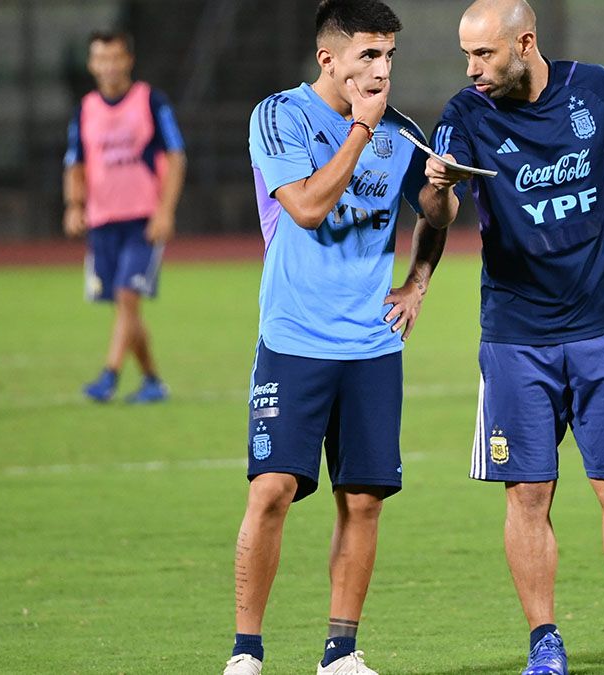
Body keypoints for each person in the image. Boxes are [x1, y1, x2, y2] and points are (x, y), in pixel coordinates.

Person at [417, 1, 604, 673]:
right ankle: (544, 642)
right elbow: (439, 211)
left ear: (525, 43)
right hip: (516, 337)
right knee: (527, 495)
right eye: (466, 55)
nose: (471, 69)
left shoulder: (593, 89)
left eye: (484, 54)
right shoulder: (464, 114)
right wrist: (438, 187)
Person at [222, 2, 446, 674]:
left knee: (364, 501)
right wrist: (360, 130)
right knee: (271, 490)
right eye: (368, 55)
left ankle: (340, 653)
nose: (382, 70)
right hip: (294, 338)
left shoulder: (401, 133)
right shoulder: (280, 116)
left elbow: (436, 214)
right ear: (329, 59)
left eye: (390, 56)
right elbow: (308, 208)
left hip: (372, 345)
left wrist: (420, 273)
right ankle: (246, 652)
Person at [63, 29, 186, 403]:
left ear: (129, 60)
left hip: (142, 220)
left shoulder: (150, 101)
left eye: (116, 57)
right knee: (124, 306)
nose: (109, 66)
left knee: (127, 296)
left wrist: (165, 211)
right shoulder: (85, 109)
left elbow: (176, 156)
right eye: (102, 58)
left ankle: (109, 375)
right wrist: (74, 205)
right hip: (102, 221)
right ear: (91, 64)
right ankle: (152, 381)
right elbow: (75, 163)